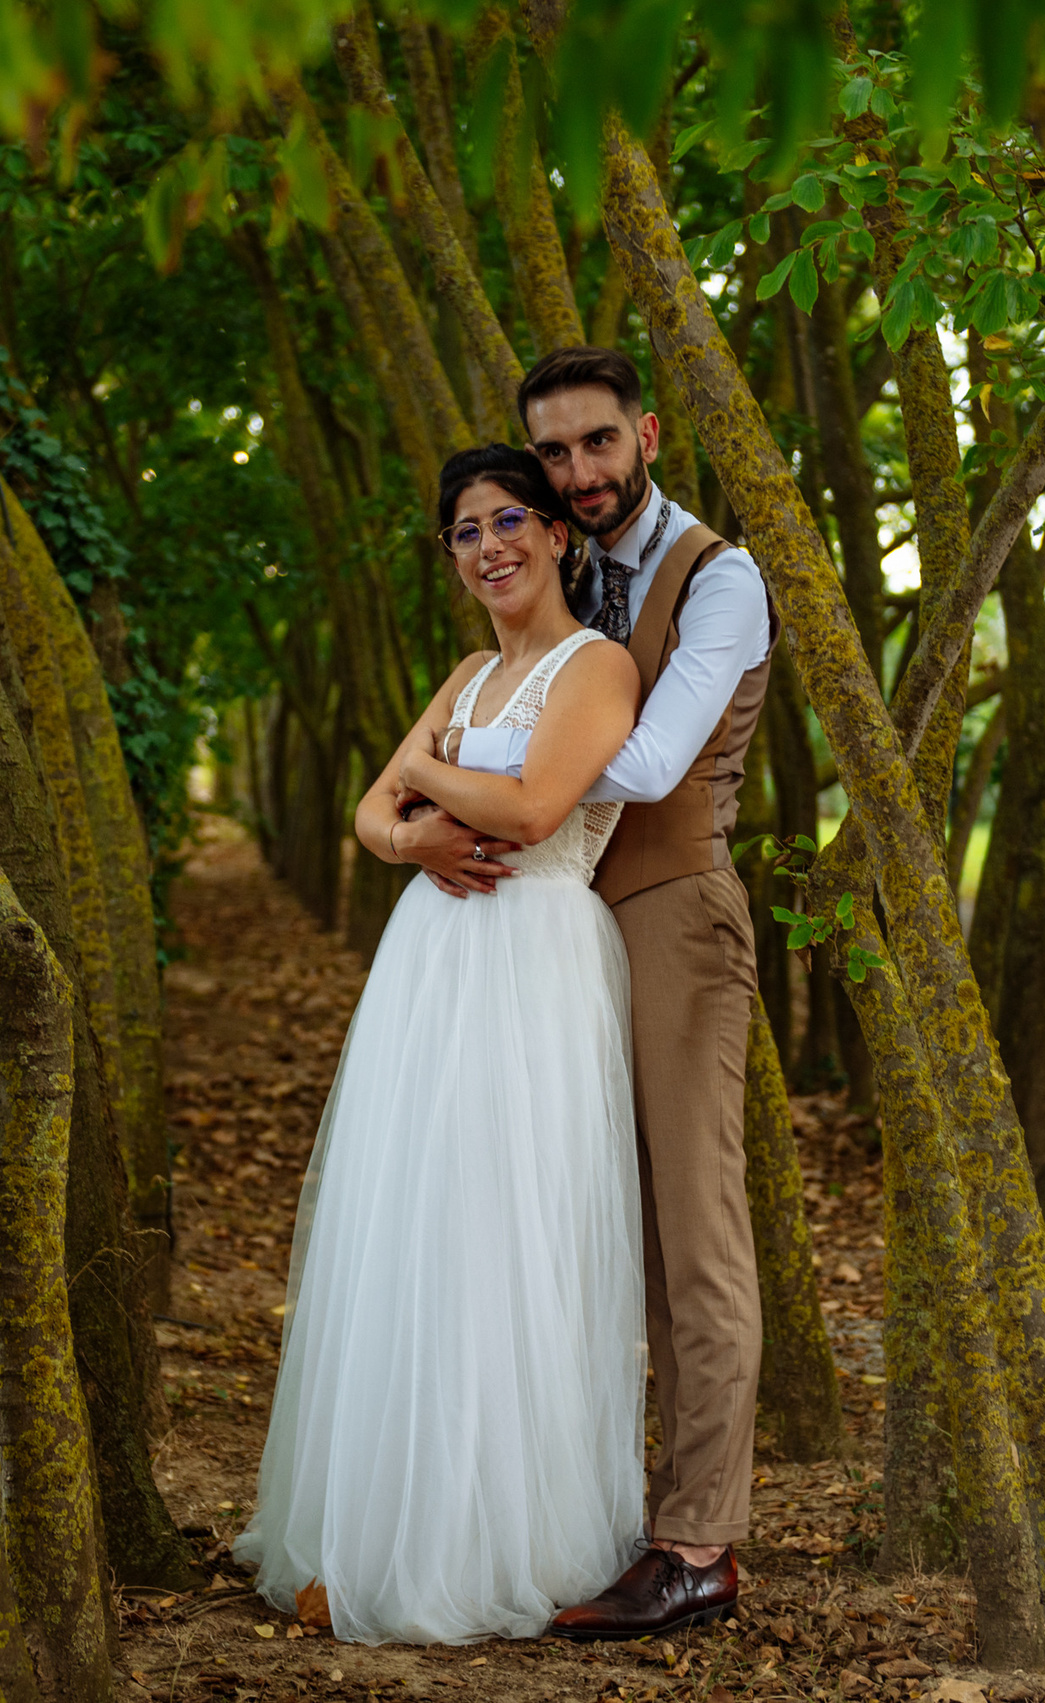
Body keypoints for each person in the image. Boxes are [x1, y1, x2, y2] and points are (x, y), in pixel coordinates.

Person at [233, 444, 650, 1645]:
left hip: (533, 964)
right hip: (433, 961)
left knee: (511, 1228)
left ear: (558, 534)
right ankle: (394, 1518)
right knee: (418, 1222)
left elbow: (528, 812)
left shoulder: (597, 664)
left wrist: (424, 773)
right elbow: (374, 814)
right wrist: (409, 831)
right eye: (465, 532)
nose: (490, 547)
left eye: (509, 519)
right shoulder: (471, 672)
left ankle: (501, 1533)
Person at [395, 346, 777, 1641]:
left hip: (666, 916)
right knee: (565, 1221)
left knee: (692, 1230)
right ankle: (566, 1499)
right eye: (553, 455)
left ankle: (697, 1540)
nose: (580, 473)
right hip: (548, 936)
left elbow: (655, 759)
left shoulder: (719, 579)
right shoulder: (571, 576)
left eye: (598, 444)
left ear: (648, 433)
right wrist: (427, 819)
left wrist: (506, 768)